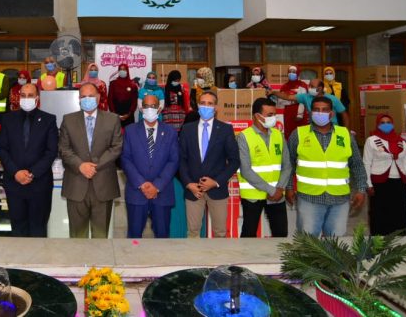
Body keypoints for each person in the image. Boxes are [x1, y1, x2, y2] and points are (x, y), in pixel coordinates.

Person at [286, 96, 367, 236]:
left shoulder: (345, 135)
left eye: (324, 110)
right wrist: (289, 187)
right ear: (310, 112)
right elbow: (289, 164)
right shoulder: (298, 134)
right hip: (309, 198)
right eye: (316, 110)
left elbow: (357, 165)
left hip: (339, 199)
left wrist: (361, 189)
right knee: (309, 242)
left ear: (332, 114)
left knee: (336, 242)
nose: (320, 113)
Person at [59, 82, 123, 238]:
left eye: (91, 96)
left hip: (103, 185)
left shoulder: (112, 119)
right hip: (76, 185)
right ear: (79, 99)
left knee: (100, 237)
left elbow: (116, 147)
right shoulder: (68, 120)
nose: (87, 99)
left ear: (98, 97)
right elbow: (63, 149)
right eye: (83, 96)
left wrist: (94, 166)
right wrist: (80, 165)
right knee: (77, 237)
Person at [0, 84, 58, 237]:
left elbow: (51, 151)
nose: (26, 99)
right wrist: (16, 172)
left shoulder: (49, 120)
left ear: (37, 98)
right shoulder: (8, 119)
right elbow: (2, 149)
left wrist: (32, 173)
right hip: (14, 184)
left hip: (39, 184)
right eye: (23, 95)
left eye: (30, 95)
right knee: (18, 230)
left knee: (38, 229)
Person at [179, 91, 240, 238]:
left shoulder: (225, 130)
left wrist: (216, 182)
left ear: (216, 107)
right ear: (198, 106)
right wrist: (188, 183)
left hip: (217, 190)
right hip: (194, 190)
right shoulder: (187, 129)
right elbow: (181, 159)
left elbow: (235, 161)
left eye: (210, 104)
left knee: (220, 233)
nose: (206, 107)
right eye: (203, 103)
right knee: (193, 232)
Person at [120, 94, 179, 238]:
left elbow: (173, 161)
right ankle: (134, 255)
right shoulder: (130, 131)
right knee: (134, 237)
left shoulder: (170, 132)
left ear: (159, 109)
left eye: (153, 106)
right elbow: (125, 159)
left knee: (162, 237)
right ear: (141, 109)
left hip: (162, 193)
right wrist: (142, 183)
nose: (149, 109)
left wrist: (157, 186)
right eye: (146, 106)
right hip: (137, 192)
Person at [236, 98, 292, 238]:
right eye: (270, 115)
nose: (273, 118)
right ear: (257, 116)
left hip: (277, 195)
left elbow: (287, 165)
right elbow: (246, 170)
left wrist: (279, 188)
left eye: (274, 114)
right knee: (248, 235)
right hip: (253, 196)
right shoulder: (244, 137)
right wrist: (271, 190)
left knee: (281, 235)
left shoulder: (278, 135)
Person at [363, 114, 406, 236]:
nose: (386, 125)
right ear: (377, 124)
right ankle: (378, 241)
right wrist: (368, 184)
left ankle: (399, 242)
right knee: (379, 213)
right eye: (382, 122)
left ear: (393, 124)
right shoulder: (371, 140)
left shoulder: (401, 141)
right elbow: (366, 163)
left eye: (388, 122)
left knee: (398, 213)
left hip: (398, 182)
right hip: (379, 181)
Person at [271, 78, 350, 131]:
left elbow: (344, 114)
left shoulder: (333, 99)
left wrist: (346, 130)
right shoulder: (306, 97)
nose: (309, 88)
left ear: (320, 88)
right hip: (314, 130)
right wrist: (273, 92)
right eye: (309, 86)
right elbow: (288, 97)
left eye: (312, 86)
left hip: (333, 129)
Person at [277, 65, 308, 138]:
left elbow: (303, 100)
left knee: (302, 134)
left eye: (294, 72)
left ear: (297, 73)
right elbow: (280, 102)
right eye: (290, 72)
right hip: (288, 114)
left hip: (300, 114)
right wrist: (293, 101)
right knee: (289, 134)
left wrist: (300, 114)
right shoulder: (284, 86)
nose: (291, 73)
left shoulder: (302, 85)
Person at [108, 63, 138, 128]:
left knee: (129, 132)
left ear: (127, 71)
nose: (122, 71)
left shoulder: (133, 85)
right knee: (116, 133)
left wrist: (129, 114)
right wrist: (114, 113)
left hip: (129, 115)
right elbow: (110, 99)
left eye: (124, 69)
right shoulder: (113, 84)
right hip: (115, 114)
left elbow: (134, 101)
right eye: (120, 69)